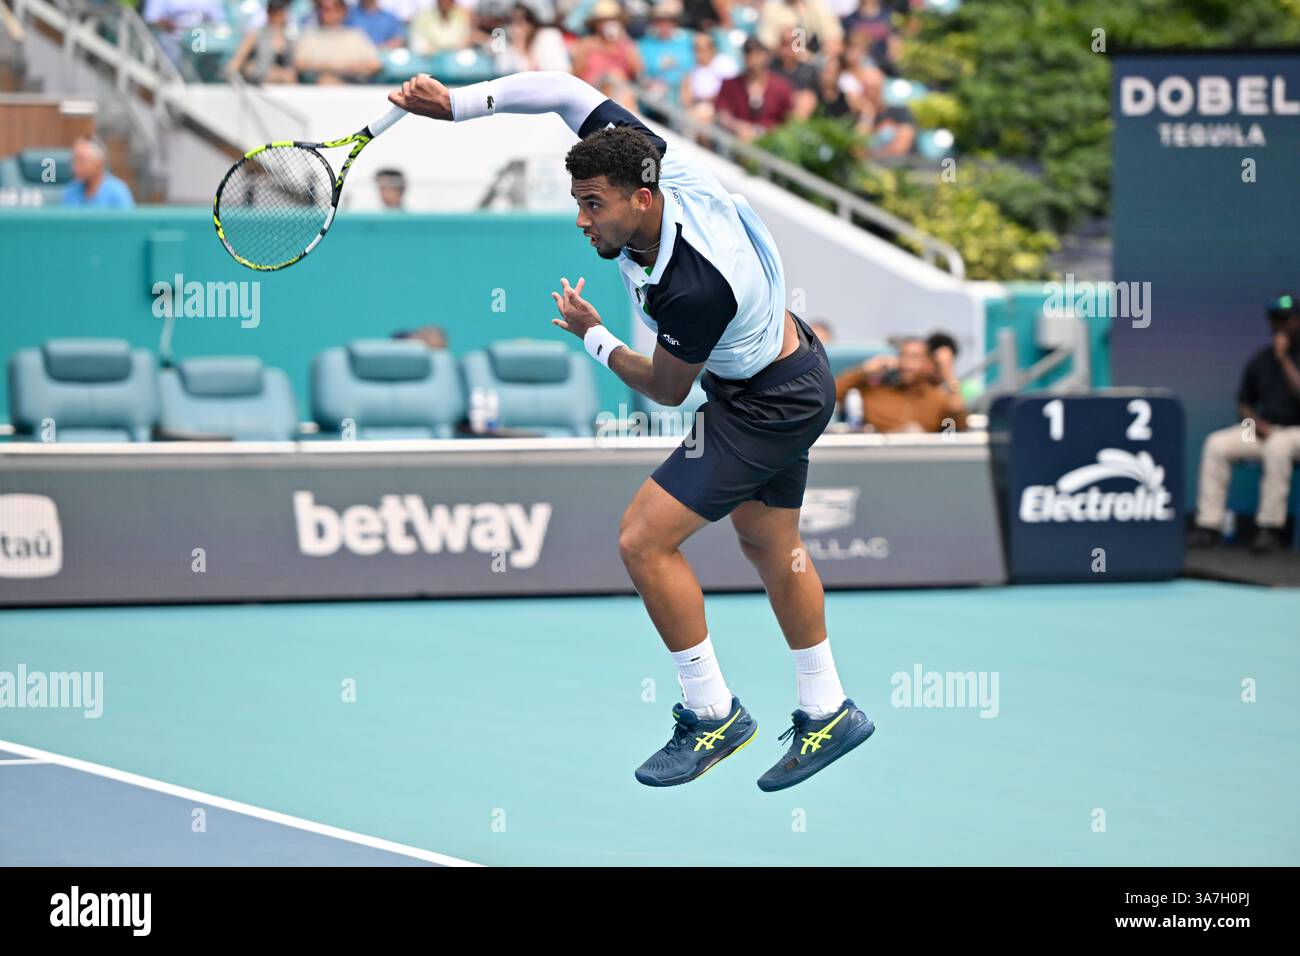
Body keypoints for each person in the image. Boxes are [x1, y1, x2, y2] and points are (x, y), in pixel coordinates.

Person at [389, 69, 873, 791]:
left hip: (764, 402)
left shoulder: (694, 283)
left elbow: (669, 390)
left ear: (640, 200)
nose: (582, 221)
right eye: (577, 204)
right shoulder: (646, 156)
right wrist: (459, 106)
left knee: (643, 540)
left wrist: (592, 337)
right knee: (771, 544)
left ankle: (711, 712)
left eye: (593, 206)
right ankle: (829, 708)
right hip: (790, 372)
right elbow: (558, 87)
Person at [1189, 295, 1300, 553]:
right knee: (1217, 444)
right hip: (1262, 430)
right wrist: (1254, 423)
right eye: (1275, 320)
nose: (1279, 326)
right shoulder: (1261, 359)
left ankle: (1270, 529)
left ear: (1297, 321)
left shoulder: (1287, 358)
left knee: (1278, 447)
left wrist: (1284, 360)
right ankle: (1209, 526)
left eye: (1286, 320)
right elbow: (1243, 403)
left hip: (1294, 432)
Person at [834, 336, 966, 433]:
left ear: (928, 364)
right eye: (903, 356)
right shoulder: (875, 392)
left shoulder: (937, 398)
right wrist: (864, 370)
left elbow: (959, 427)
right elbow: (830, 394)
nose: (907, 364)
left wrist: (948, 374)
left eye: (914, 357)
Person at [714, 37, 794, 143]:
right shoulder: (730, 84)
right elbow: (722, 113)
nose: (752, 61)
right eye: (748, 55)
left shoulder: (781, 87)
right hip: (735, 142)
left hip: (770, 144)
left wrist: (763, 132)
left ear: (766, 56)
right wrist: (737, 126)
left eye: (757, 55)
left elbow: (789, 121)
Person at [295, 0, 382, 83]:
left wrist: (351, 69)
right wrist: (329, 68)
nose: (329, 13)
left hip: (353, 85)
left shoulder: (356, 36)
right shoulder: (309, 36)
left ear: (343, 11)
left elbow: (375, 65)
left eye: (335, 9)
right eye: (324, 9)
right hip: (317, 85)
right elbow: (300, 64)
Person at [226, 0, 298, 85]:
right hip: (259, 85)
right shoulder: (255, 35)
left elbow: (294, 67)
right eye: (275, 13)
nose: (280, 17)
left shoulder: (289, 37)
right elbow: (236, 62)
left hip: (285, 89)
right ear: (269, 13)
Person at [61, 137, 134, 209]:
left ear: (99, 163)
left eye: (81, 161)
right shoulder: (70, 191)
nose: (74, 168)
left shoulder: (117, 192)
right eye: (74, 161)